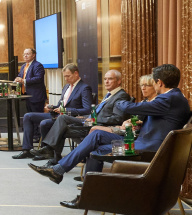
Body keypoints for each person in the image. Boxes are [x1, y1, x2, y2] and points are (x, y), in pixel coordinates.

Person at [30, 64, 191, 194]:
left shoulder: (168, 98)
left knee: (95, 147)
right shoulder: (175, 98)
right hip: (145, 142)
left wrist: (120, 103)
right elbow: (160, 119)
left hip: (148, 149)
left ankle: (83, 188)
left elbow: (134, 107)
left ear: (159, 83)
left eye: (153, 82)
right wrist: (141, 123)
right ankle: (65, 175)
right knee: (96, 137)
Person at [31, 70, 130, 164]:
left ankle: (51, 154)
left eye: (110, 79)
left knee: (62, 122)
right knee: (60, 125)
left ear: (119, 81)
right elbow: (97, 112)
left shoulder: (121, 96)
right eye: (105, 79)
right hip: (88, 120)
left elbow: (118, 118)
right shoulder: (110, 94)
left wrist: (94, 119)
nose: (106, 82)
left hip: (99, 126)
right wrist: (84, 117)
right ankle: (52, 157)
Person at [13, 63, 93, 159]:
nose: (66, 79)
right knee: (28, 116)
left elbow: (87, 109)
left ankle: (46, 151)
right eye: (64, 77)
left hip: (70, 118)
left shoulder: (84, 88)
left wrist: (66, 110)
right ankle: (27, 149)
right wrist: (52, 107)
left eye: (68, 76)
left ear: (76, 73)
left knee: (44, 123)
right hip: (57, 115)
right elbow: (60, 105)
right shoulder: (66, 87)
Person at [13, 48, 46, 113]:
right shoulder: (23, 66)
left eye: (27, 54)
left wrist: (23, 80)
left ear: (33, 55)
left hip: (36, 96)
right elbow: (20, 76)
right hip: (27, 96)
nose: (25, 56)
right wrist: (17, 79)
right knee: (30, 116)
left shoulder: (38, 65)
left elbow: (38, 78)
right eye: (24, 54)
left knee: (37, 117)